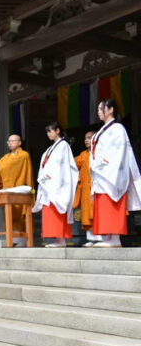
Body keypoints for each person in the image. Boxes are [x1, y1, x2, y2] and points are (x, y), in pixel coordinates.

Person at [88, 100, 141, 247]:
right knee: (103, 205)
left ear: (110, 110)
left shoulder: (117, 128)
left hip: (112, 173)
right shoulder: (103, 130)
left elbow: (118, 152)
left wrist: (102, 164)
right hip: (101, 172)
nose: (98, 111)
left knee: (112, 202)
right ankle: (108, 237)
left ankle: (115, 238)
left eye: (101, 108)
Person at [32, 123, 78, 248]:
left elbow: (61, 166)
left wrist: (52, 179)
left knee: (58, 208)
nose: (48, 134)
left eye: (50, 131)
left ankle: (61, 239)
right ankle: (57, 239)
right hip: (49, 184)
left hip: (58, 184)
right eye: (47, 132)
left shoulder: (63, 145)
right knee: (50, 211)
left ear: (57, 131)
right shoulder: (51, 148)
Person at [0, 134, 33, 243]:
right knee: (9, 216)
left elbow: (7, 165)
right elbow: (1, 165)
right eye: (8, 141)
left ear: (19, 142)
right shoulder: (7, 156)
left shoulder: (24, 155)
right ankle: (12, 240)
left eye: (12, 141)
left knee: (20, 215)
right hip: (9, 190)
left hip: (20, 190)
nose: (9, 143)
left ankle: (22, 241)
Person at [74, 131, 100, 246]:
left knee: (97, 212)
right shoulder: (83, 154)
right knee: (87, 214)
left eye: (89, 138)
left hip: (98, 188)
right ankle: (91, 238)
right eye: (85, 138)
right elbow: (73, 164)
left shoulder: (100, 153)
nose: (86, 140)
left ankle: (101, 238)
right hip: (86, 189)